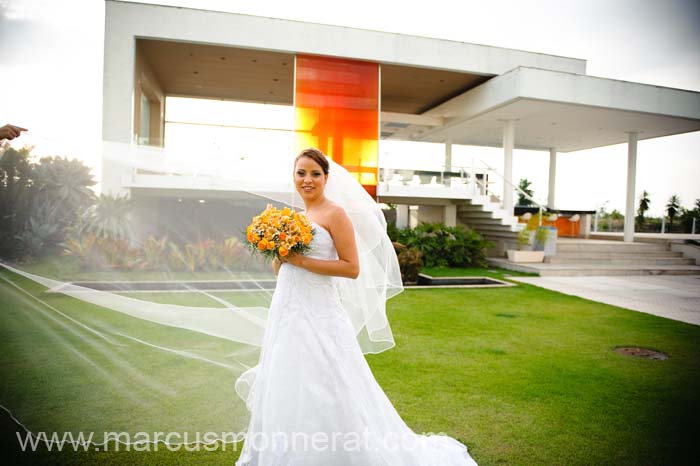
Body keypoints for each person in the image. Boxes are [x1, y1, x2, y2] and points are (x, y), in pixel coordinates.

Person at [234, 147, 479, 465]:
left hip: (319, 311)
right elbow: (283, 268)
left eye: (315, 174)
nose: (307, 180)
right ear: (293, 177)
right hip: (288, 308)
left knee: (326, 379)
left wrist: (301, 260)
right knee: (287, 375)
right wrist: (279, 255)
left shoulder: (335, 213)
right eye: (301, 173)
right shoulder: (294, 218)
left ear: (326, 178)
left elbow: (351, 267)